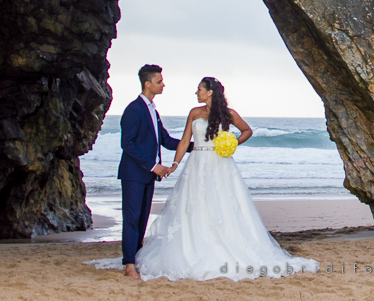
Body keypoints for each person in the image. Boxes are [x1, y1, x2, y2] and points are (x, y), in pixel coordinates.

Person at [133, 76, 318, 281]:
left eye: (199, 89)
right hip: (196, 164)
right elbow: (186, 141)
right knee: (194, 206)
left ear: (210, 92)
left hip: (220, 163)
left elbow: (247, 130)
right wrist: (175, 165)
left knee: (221, 204)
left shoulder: (228, 114)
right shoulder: (194, 113)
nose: (197, 93)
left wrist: (233, 143)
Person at [117, 64, 192, 281]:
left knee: (141, 220)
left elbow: (166, 140)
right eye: (159, 81)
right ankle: (129, 265)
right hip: (133, 174)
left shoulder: (153, 111)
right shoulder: (134, 109)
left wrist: (198, 146)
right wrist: (153, 165)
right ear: (147, 83)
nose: (163, 84)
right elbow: (127, 144)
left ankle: (136, 258)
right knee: (131, 219)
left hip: (148, 176)